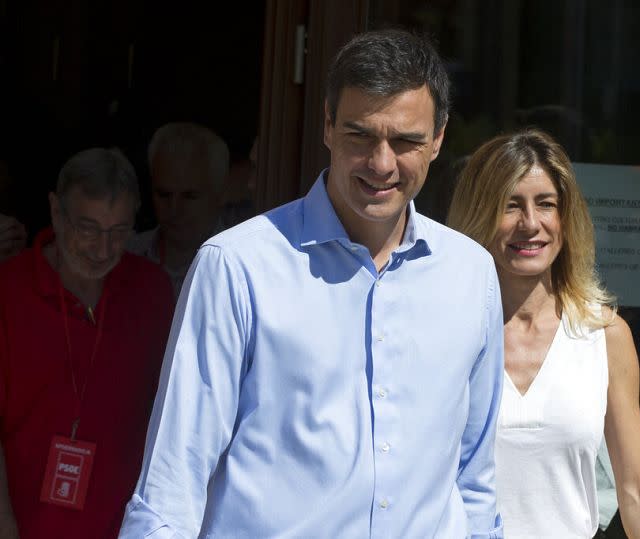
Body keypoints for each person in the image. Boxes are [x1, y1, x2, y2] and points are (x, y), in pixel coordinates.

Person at [119, 29, 504, 538]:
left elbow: (474, 482)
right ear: (326, 125)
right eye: (360, 135)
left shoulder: (471, 275)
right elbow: (172, 481)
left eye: (406, 141)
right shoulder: (237, 266)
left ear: (438, 139)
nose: (382, 162)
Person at [447, 130, 640, 538]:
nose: (530, 224)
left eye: (545, 204)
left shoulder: (604, 336)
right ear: (480, 215)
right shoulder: (444, 332)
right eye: (510, 206)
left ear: (565, 219)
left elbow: (638, 490)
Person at [0, 148, 174, 538]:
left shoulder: (152, 291)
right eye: (88, 228)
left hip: (123, 528)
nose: (102, 249)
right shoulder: (8, 290)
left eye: (117, 231)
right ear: (56, 212)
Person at [128, 121, 229, 297]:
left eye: (189, 196)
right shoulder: (124, 255)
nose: (174, 208)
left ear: (220, 193)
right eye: (164, 194)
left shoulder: (239, 266)